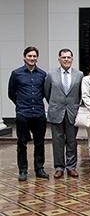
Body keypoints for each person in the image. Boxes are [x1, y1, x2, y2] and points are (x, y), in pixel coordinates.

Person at [8, 46, 48, 181]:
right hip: (23, 113)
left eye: (34, 56)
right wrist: (20, 104)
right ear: (24, 57)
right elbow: (11, 93)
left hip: (38, 113)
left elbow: (44, 92)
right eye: (29, 56)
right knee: (22, 143)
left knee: (39, 142)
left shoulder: (42, 74)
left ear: (37, 58)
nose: (32, 58)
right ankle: (23, 170)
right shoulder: (16, 73)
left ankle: (39, 169)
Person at [44, 48, 83, 179]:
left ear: (72, 59)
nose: (66, 59)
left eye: (68, 57)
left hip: (73, 112)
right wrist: (55, 104)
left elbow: (80, 94)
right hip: (56, 111)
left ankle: (71, 167)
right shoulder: (51, 75)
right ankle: (59, 167)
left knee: (72, 141)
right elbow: (47, 92)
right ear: (59, 59)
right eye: (64, 57)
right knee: (57, 141)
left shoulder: (79, 75)